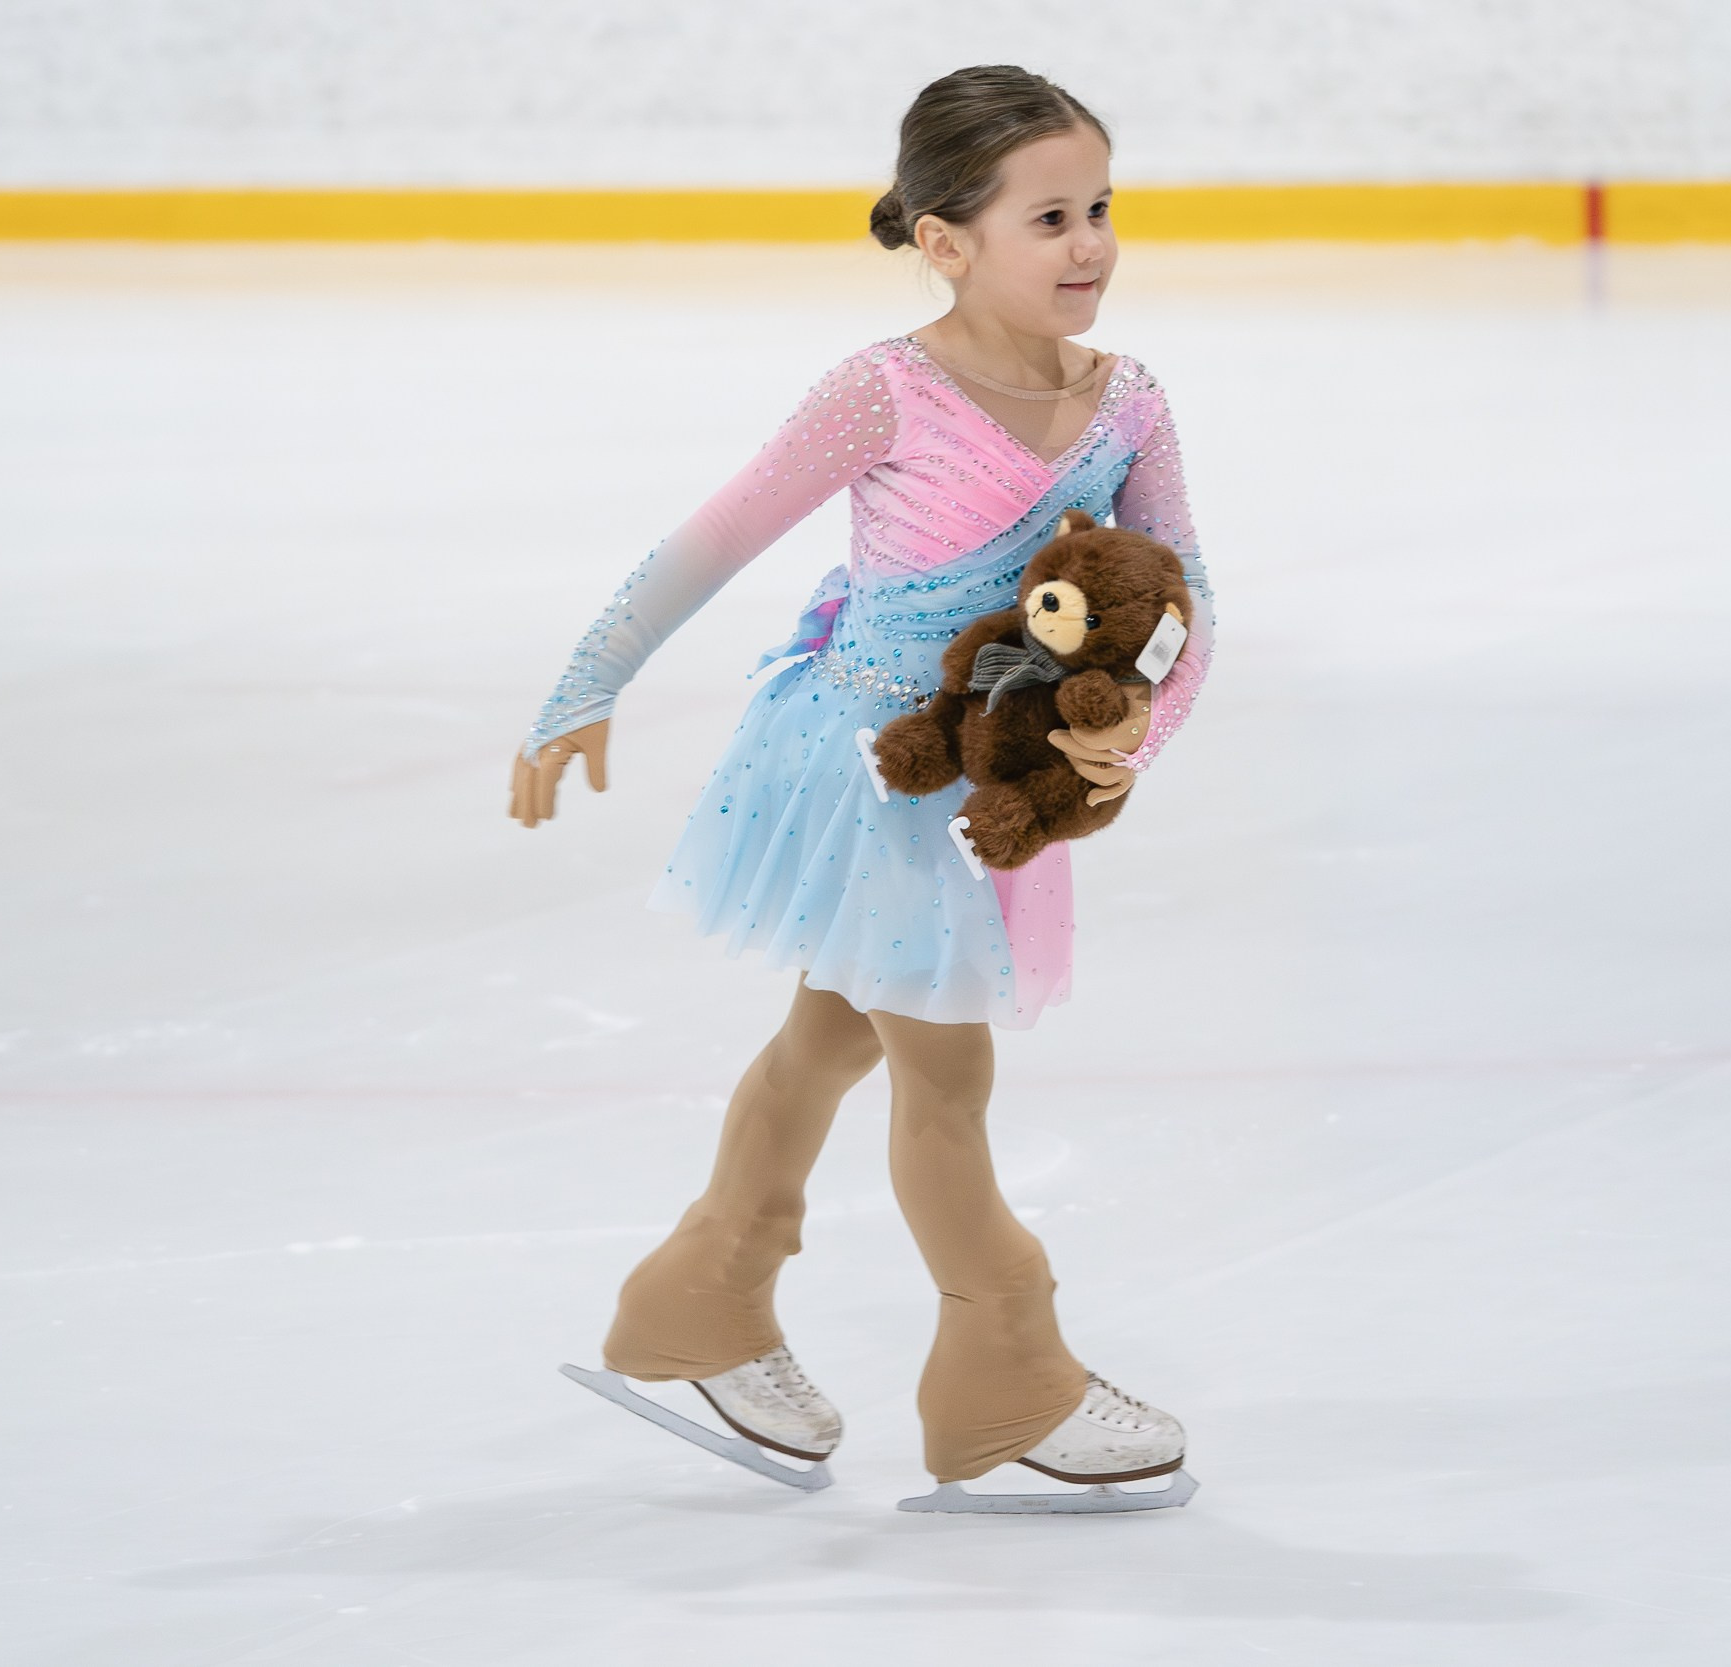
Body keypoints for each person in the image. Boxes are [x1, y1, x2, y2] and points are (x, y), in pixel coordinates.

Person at [512, 64, 1215, 1511]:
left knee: (829, 1042)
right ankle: (1008, 1370)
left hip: (989, 767)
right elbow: (716, 538)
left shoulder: (1128, 401)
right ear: (947, 240)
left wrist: (1128, 740)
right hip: (861, 768)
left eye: (1100, 209)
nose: (1088, 246)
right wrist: (589, 678)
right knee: (945, 1073)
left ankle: (697, 1301)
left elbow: (1185, 595)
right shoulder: (881, 391)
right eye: (1048, 218)